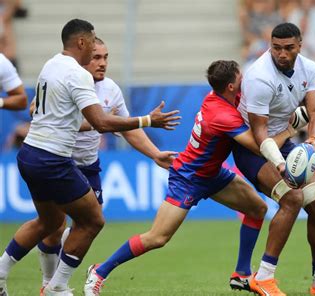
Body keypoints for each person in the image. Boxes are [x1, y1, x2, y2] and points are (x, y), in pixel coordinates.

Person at [82, 60, 297, 296]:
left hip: (212, 174)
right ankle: (100, 270)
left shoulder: (216, 97)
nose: (245, 82)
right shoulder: (223, 116)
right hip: (188, 178)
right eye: (240, 79)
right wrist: (290, 129)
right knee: (158, 237)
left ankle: (242, 275)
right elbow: (259, 148)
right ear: (231, 87)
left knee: (256, 208)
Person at [0, 18, 180, 296]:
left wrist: (154, 153)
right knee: (91, 221)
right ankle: (55, 286)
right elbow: (102, 123)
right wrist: (146, 120)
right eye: (95, 54)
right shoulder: (76, 76)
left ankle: (10, 276)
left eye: (106, 57)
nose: (101, 61)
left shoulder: (54, 66)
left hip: (44, 157)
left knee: (49, 222)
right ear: (82, 44)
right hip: (57, 160)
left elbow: (114, 123)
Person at [231, 22, 315, 295]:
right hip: (253, 148)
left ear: (299, 45)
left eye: (288, 48)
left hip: (286, 142)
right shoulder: (259, 77)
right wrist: (280, 164)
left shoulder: (308, 68)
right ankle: (263, 278)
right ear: (270, 45)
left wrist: (311, 142)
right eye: (276, 48)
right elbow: (260, 134)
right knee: (292, 198)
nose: (282, 54)